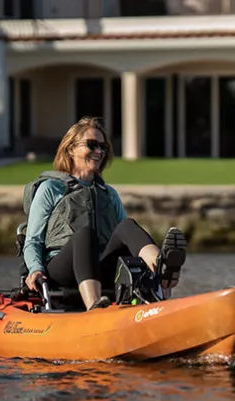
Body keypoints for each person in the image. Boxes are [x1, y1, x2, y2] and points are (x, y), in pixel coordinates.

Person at [22, 116, 186, 311]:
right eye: (92, 145)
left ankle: (162, 267)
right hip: (61, 271)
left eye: (103, 147)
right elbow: (33, 240)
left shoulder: (109, 194)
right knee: (85, 234)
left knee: (127, 226)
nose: (99, 151)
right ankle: (95, 308)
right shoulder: (51, 188)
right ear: (71, 148)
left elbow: (126, 241)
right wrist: (35, 269)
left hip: (101, 267)